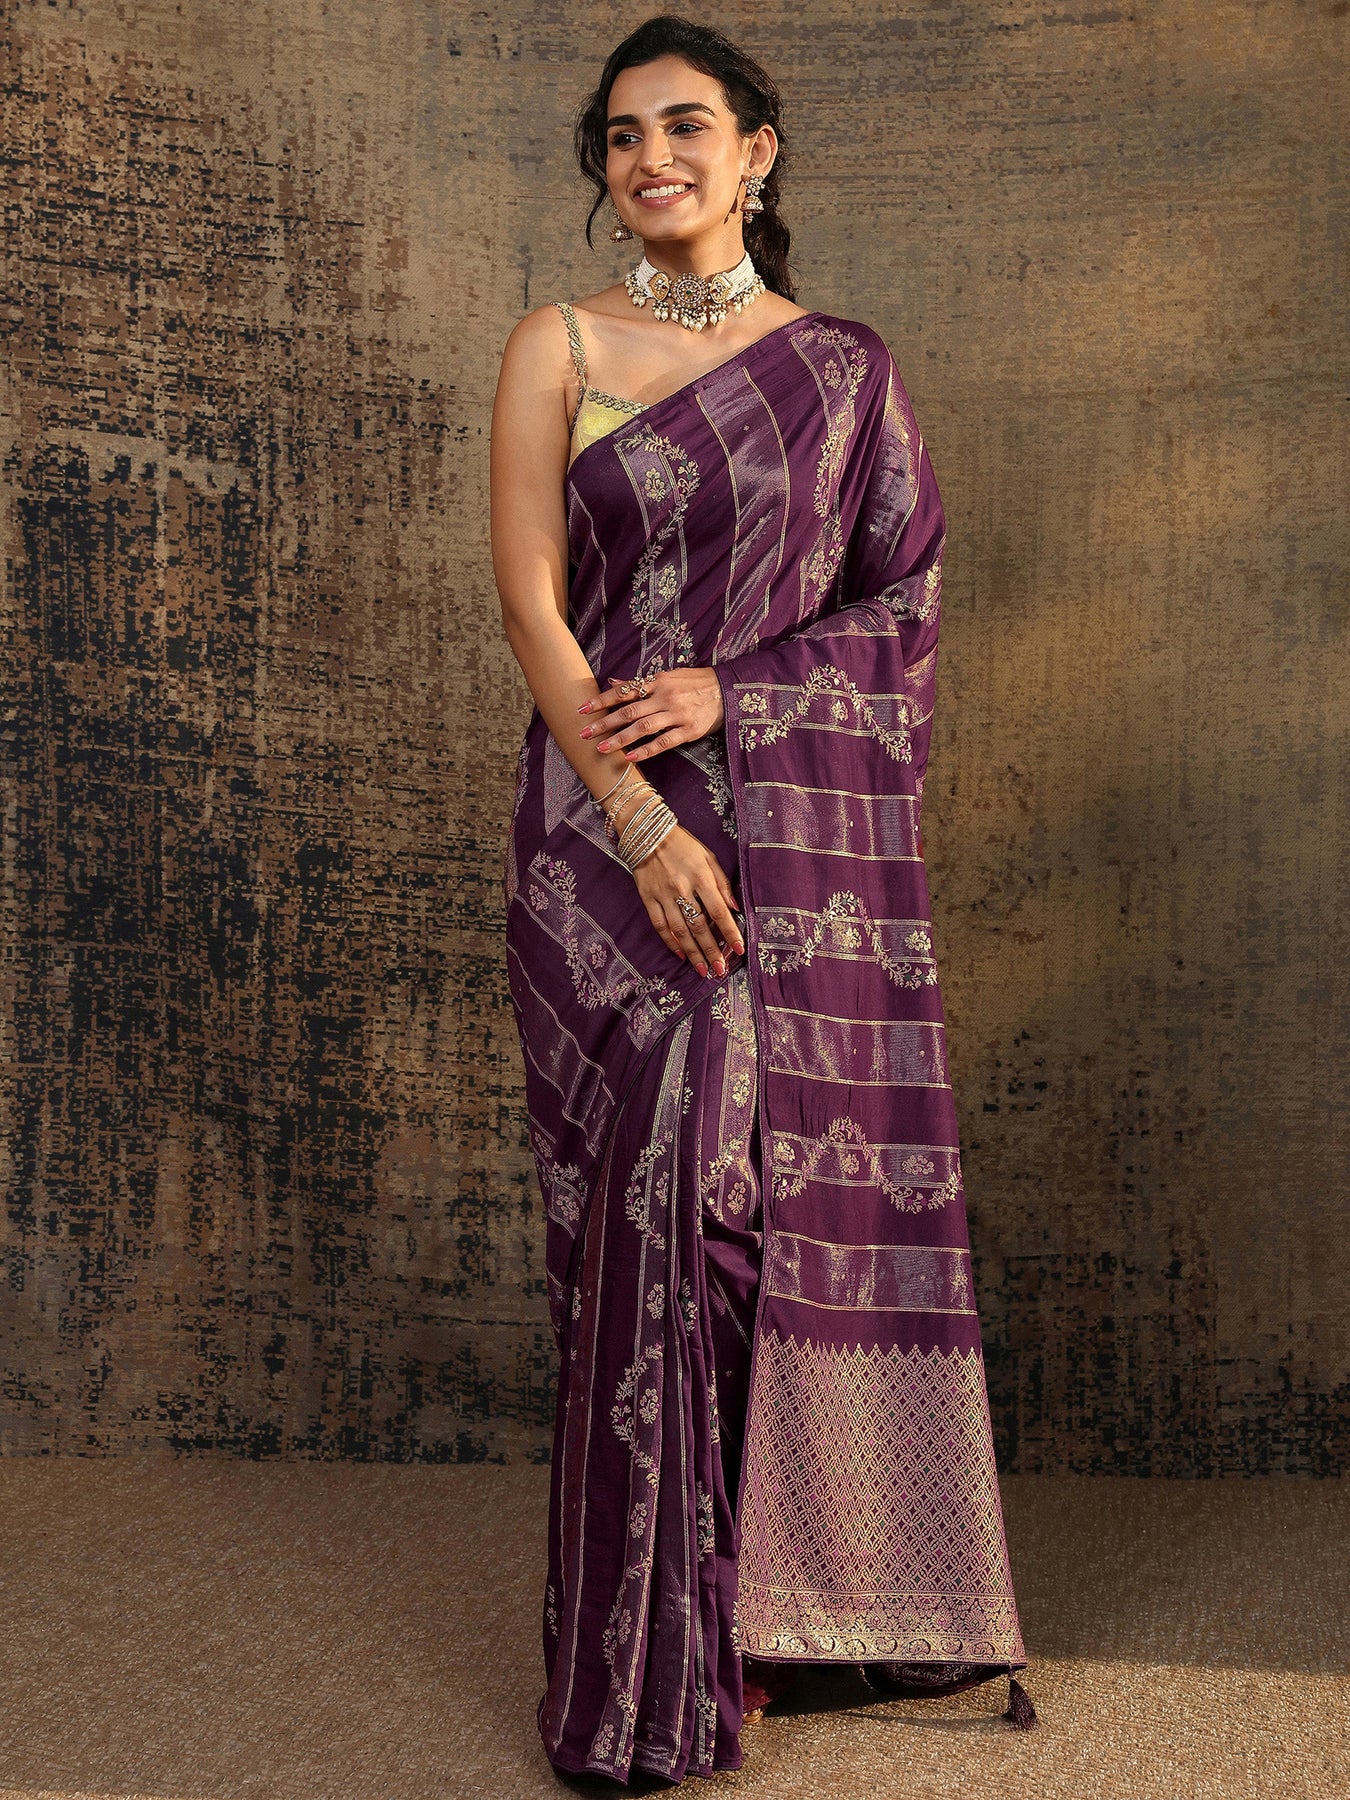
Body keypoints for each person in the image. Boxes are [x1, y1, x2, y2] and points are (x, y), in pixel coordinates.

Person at [490, 14, 1035, 1785]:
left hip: (785, 836)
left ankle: (758, 1607)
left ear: (756, 151)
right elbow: (533, 611)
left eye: (684, 125)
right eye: (620, 135)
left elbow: (904, 602)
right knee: (646, 1196)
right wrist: (637, 820)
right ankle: (653, 1643)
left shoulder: (844, 371)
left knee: (731, 1196)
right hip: (598, 832)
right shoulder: (559, 344)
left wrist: (737, 692)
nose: (649, 156)